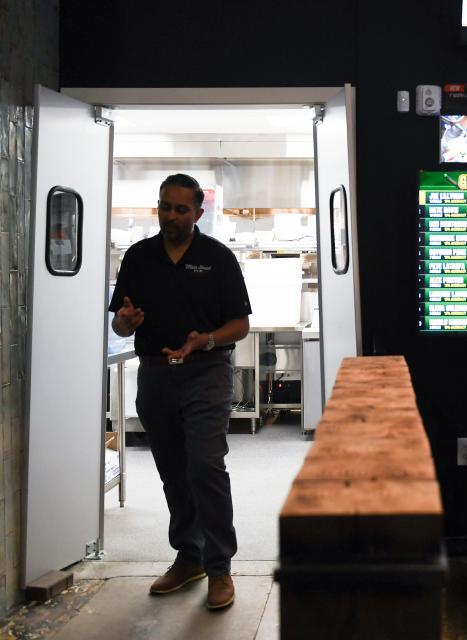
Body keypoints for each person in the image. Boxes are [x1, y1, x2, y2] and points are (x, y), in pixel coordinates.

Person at [109, 173, 251, 610]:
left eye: (181, 209)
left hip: (206, 371)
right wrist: (125, 323)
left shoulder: (218, 257)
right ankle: (189, 557)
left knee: (205, 465)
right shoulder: (138, 257)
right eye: (165, 207)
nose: (171, 216)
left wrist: (205, 339)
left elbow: (241, 325)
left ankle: (220, 567)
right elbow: (120, 319)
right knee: (173, 470)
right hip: (155, 375)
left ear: (197, 213)